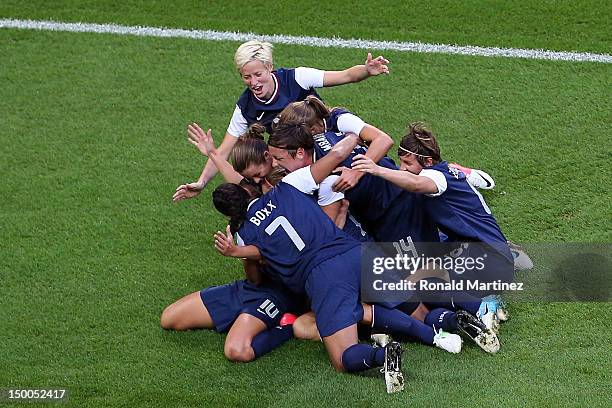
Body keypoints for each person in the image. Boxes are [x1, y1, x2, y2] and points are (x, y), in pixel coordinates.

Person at [172, 40, 390, 202]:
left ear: (269, 67)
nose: (254, 82)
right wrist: (201, 182)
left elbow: (345, 76)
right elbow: (225, 148)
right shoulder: (245, 106)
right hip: (300, 157)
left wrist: (367, 71)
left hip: (329, 141)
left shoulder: (296, 78)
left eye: (258, 74)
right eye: (246, 77)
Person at [352, 122, 515, 328]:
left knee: (421, 282)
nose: (403, 168)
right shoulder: (448, 171)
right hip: (485, 249)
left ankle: (485, 306)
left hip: (489, 261)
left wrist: (377, 170)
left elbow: (417, 184)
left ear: (428, 161)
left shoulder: (436, 177)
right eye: (400, 162)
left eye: (408, 163)